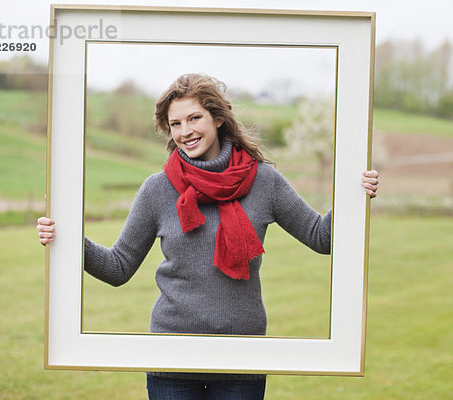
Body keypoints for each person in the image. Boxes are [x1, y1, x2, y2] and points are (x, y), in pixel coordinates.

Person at [37, 73, 379, 400]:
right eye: (176, 123)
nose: (185, 131)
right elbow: (118, 267)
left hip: (241, 359)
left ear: (217, 118)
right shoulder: (157, 190)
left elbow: (322, 237)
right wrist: (67, 239)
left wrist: (353, 195)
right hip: (172, 359)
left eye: (194, 118)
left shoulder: (264, 182)